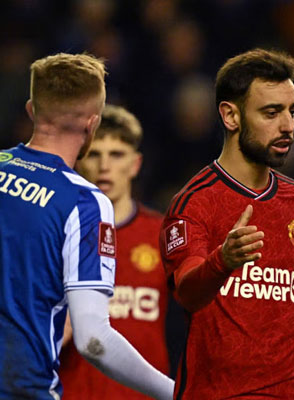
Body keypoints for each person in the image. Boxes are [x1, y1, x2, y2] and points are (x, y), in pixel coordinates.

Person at [160, 48, 294, 399]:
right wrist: (222, 261)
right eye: (271, 113)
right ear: (231, 115)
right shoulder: (194, 203)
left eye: (292, 112)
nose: (287, 125)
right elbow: (187, 293)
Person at [0, 53, 173, 400]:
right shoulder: (84, 203)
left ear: (32, 109)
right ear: (92, 124)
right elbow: (94, 340)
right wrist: (177, 393)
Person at [59, 104, 171, 399]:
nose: (105, 166)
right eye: (95, 154)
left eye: (117, 154)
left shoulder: (163, 235)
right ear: (80, 162)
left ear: (135, 164)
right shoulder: (57, 233)